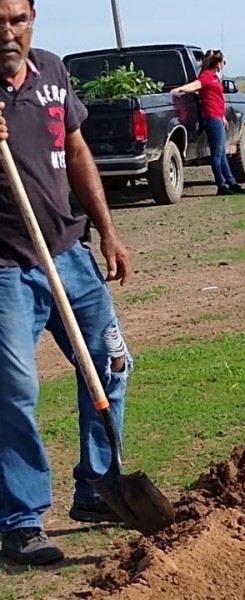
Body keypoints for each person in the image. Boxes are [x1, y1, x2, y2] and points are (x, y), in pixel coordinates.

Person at [0, 0, 134, 566]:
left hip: (68, 255)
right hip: (6, 268)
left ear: (33, 18)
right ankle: (21, 520)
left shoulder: (53, 71)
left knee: (112, 363)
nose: (7, 32)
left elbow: (76, 151)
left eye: (16, 19)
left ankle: (99, 488)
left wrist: (107, 230)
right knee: (14, 392)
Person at [171, 49, 245, 196]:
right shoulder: (206, 77)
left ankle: (231, 182)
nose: (223, 65)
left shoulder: (215, 78)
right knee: (217, 154)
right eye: (222, 62)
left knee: (221, 153)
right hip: (212, 117)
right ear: (217, 63)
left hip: (218, 117)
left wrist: (223, 117)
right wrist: (179, 89)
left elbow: (217, 99)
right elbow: (195, 86)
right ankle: (221, 185)